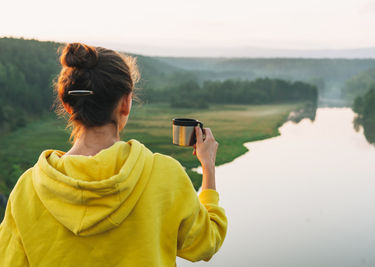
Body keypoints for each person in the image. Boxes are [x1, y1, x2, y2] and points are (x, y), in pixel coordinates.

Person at [0, 43, 227, 266]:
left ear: (68, 105)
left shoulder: (27, 190)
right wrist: (207, 167)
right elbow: (207, 242)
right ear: (126, 102)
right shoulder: (165, 175)